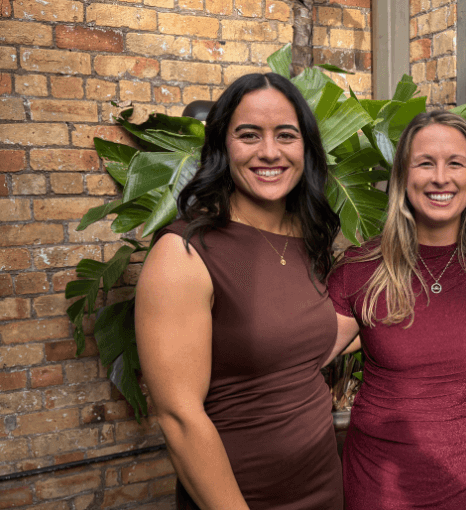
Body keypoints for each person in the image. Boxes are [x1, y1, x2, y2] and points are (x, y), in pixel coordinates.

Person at [135, 73, 343, 510]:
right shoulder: (183, 253)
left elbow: (296, 343)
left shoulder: (308, 237)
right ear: (222, 146)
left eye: (285, 135)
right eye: (249, 135)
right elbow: (180, 419)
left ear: (305, 147)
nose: (269, 151)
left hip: (325, 487)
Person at [325, 111, 466, 509]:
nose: (441, 178)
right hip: (377, 490)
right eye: (425, 163)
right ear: (403, 178)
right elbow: (293, 362)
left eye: (455, 163)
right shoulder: (361, 269)